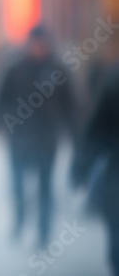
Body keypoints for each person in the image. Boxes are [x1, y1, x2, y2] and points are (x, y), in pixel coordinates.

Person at [0, 25, 75, 247]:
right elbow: (0, 99)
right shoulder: (15, 68)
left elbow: (70, 105)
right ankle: (19, 221)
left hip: (47, 138)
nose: (38, 48)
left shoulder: (58, 70)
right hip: (19, 137)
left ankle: (43, 230)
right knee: (18, 183)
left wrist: (71, 130)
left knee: (45, 185)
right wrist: (8, 123)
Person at [72, 61, 119, 275]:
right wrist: (81, 166)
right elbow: (97, 129)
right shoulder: (113, 80)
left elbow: (95, 129)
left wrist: (80, 167)